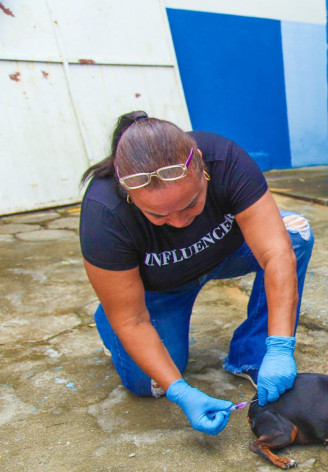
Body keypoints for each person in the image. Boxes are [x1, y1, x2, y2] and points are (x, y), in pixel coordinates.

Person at [79, 111, 314, 435]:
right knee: (149, 384)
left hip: (223, 255)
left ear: (202, 167)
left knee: (295, 234)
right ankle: (110, 315)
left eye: (190, 204)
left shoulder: (225, 159)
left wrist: (280, 346)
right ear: (129, 194)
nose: (178, 222)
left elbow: (275, 253)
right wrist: (180, 390)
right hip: (160, 288)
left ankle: (252, 352)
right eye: (158, 215)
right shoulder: (104, 212)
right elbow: (132, 321)